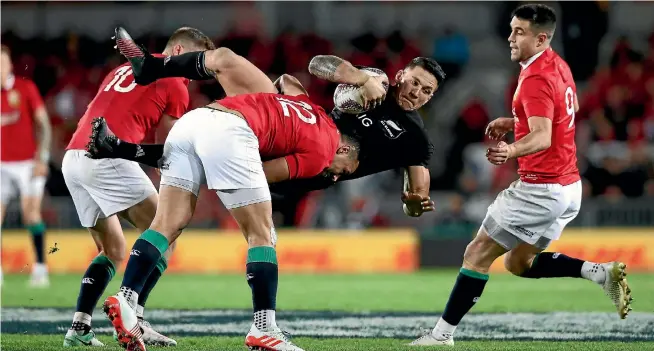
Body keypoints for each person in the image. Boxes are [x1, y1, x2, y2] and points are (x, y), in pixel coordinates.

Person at [102, 28, 360, 351]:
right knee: (262, 233)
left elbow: (287, 84)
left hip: (194, 121)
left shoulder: (309, 108)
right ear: (346, 151)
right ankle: (264, 328)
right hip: (230, 131)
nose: (335, 177)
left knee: (166, 223)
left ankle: (126, 298)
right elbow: (264, 173)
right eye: (343, 172)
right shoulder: (323, 153)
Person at [409, 4, 632, 346]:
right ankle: (600, 273)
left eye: (519, 32)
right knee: (518, 263)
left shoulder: (534, 79)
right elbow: (563, 113)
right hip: (568, 187)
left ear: (541, 38)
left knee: (476, 253)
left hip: (540, 187)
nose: (510, 38)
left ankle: (441, 336)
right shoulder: (558, 65)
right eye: (511, 29)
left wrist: (511, 149)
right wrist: (517, 122)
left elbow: (543, 136)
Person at [89, 37, 446, 218]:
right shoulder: (375, 84)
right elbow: (317, 63)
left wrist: (414, 203)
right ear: (401, 75)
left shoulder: (414, 138)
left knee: (211, 154)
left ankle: (122, 149)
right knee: (226, 60)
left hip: (314, 163)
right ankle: (150, 70)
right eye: (414, 82)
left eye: (426, 91)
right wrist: (358, 77)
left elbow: (417, 191)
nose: (417, 93)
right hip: (305, 122)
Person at [61, 27, 215, 347]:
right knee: (165, 232)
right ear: (178, 52)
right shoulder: (175, 80)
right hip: (107, 159)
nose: (196, 71)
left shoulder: (123, 67)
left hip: (74, 158)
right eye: (196, 60)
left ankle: (80, 326)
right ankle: (135, 316)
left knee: (114, 249)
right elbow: (167, 151)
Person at [0, 44, 52, 287]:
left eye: (2, 63)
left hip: (27, 163)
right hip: (1, 164)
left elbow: (44, 124)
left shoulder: (25, 87)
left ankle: (41, 267)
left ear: (10, 65)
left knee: (30, 213)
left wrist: (42, 158)